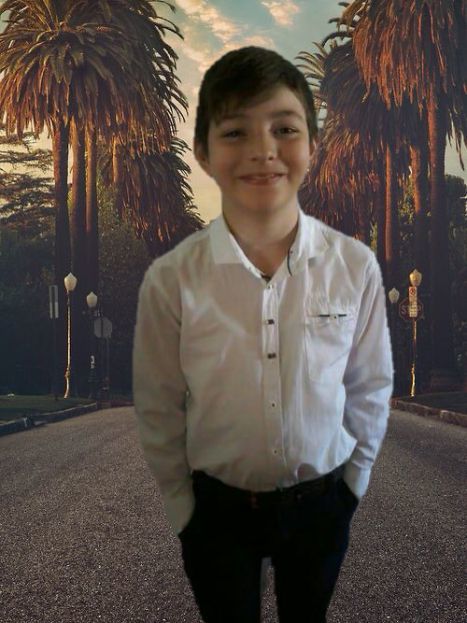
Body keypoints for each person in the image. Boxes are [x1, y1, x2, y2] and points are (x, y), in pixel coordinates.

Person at [133, 46, 394, 623]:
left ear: (312, 145)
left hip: (322, 507)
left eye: (284, 128)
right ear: (203, 152)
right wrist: (183, 510)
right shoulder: (172, 280)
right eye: (236, 132)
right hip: (217, 515)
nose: (263, 150)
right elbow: (158, 402)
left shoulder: (354, 268)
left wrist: (351, 487)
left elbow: (369, 385)